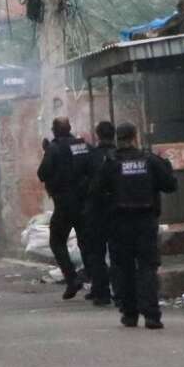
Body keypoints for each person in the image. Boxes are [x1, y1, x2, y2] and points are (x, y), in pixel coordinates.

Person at [88, 122, 176, 329]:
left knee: (123, 268)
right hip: (146, 221)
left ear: (118, 138)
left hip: (119, 223)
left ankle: (130, 314)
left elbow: (95, 192)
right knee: (147, 267)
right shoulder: (150, 160)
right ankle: (152, 315)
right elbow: (170, 185)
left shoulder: (110, 163)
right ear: (135, 137)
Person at [36, 117, 95, 299]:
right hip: (85, 203)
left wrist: (47, 151)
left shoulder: (54, 148)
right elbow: (95, 165)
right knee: (87, 243)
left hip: (64, 204)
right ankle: (96, 283)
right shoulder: (84, 146)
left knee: (57, 241)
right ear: (69, 129)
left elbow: (42, 173)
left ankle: (72, 279)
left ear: (54, 131)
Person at [79, 121, 117, 306]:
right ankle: (122, 292)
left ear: (97, 135)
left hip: (97, 211)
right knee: (120, 253)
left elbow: (82, 181)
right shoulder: (121, 156)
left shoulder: (91, 155)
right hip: (120, 211)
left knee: (97, 253)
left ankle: (101, 292)